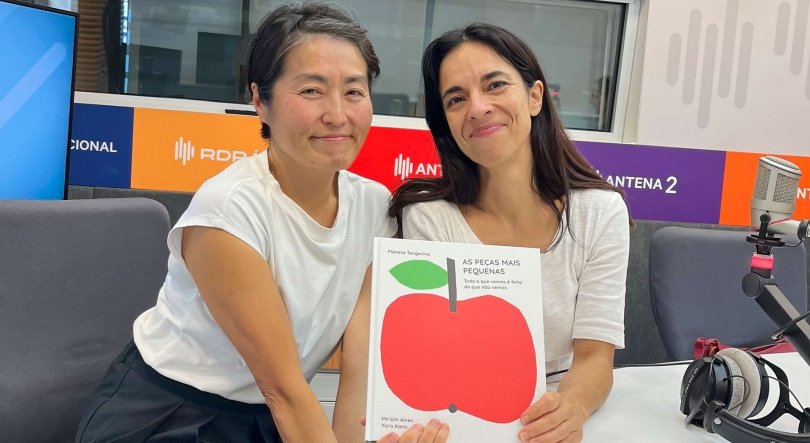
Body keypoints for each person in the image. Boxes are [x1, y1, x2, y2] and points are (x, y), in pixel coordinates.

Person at [75, 4, 449, 443]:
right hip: (173, 413)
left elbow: (360, 369)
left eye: (354, 91)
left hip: (270, 417)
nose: (337, 114)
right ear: (260, 101)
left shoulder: (375, 207)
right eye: (311, 91)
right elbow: (284, 390)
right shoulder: (230, 209)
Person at [390, 23, 632, 443]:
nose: (478, 108)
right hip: (460, 417)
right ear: (445, 122)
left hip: (556, 417)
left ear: (535, 96)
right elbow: (432, 358)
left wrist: (569, 408)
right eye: (456, 99)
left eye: (495, 85)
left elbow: (595, 356)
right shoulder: (427, 217)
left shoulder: (598, 212)